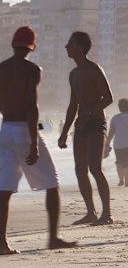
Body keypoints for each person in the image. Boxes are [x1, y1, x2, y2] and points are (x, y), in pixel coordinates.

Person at [0, 26, 76, 255]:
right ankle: (53, 238)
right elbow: (31, 105)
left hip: (5, 129)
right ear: (32, 46)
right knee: (52, 183)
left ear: (13, 44)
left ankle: (2, 243)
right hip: (23, 130)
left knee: (5, 189)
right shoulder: (32, 70)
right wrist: (33, 142)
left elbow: (2, 104)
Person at [58, 31, 114, 226]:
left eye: (70, 43)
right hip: (80, 125)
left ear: (80, 47)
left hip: (96, 123)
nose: (66, 47)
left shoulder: (93, 69)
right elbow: (73, 105)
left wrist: (88, 114)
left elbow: (108, 97)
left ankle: (106, 214)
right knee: (80, 170)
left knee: (95, 168)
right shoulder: (73, 74)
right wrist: (64, 132)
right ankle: (90, 212)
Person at [104, 98, 128, 186]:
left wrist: (107, 143)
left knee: (119, 162)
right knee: (127, 162)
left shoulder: (115, 118)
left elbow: (111, 132)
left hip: (118, 144)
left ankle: (121, 180)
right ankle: (127, 181)